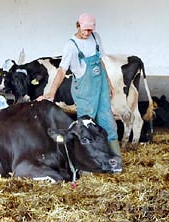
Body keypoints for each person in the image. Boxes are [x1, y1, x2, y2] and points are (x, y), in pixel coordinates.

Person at [37, 12, 122, 161]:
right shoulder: (71, 45)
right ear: (78, 25)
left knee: (109, 123)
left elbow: (101, 62)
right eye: (85, 29)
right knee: (86, 126)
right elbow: (62, 70)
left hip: (100, 86)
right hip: (84, 89)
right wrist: (51, 92)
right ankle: (88, 162)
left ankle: (115, 159)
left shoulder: (96, 37)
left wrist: (108, 83)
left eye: (90, 30)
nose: (88, 33)